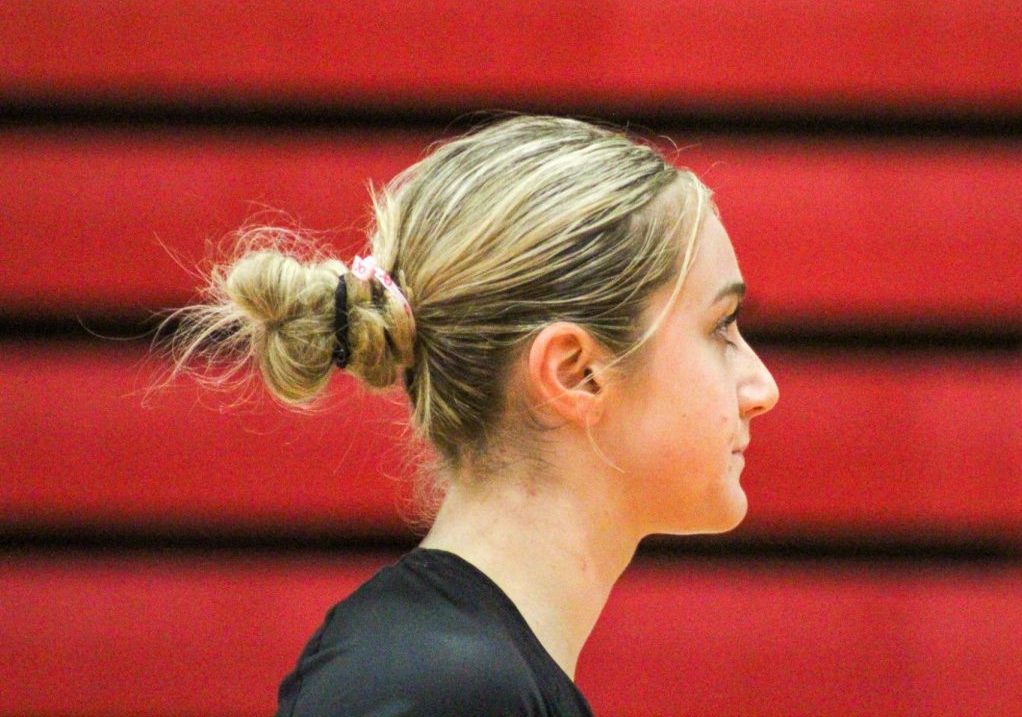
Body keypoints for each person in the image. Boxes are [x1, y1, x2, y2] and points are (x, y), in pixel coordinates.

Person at [171, 115, 779, 716]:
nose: (762, 388)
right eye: (720, 327)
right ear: (577, 372)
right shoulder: (445, 688)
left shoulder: (456, 674)